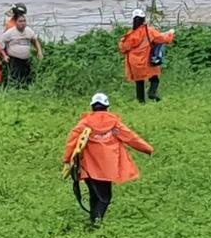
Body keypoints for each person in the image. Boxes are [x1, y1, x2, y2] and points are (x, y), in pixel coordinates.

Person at [64, 93, 154, 225]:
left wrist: (67, 160)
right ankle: (96, 222)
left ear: (92, 107)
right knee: (105, 197)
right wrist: (148, 149)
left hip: (88, 167)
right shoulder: (115, 124)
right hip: (107, 169)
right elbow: (131, 138)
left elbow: (72, 142)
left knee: (95, 195)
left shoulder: (84, 123)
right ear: (107, 107)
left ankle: (93, 220)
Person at [118, 9, 175, 103]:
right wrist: (171, 35)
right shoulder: (150, 31)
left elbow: (123, 48)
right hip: (147, 60)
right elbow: (163, 39)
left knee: (139, 82)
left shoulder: (130, 34)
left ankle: (141, 102)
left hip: (134, 62)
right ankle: (152, 93)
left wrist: (121, 42)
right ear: (144, 19)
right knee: (154, 77)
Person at [0, 13, 43, 85]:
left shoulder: (29, 31)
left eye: (24, 21)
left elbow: (35, 41)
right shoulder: (10, 33)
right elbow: (1, 45)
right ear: (16, 22)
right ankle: (15, 90)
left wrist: (39, 51)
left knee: (28, 77)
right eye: (20, 21)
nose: (22, 23)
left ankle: (27, 90)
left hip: (27, 59)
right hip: (15, 59)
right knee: (15, 78)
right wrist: (4, 56)